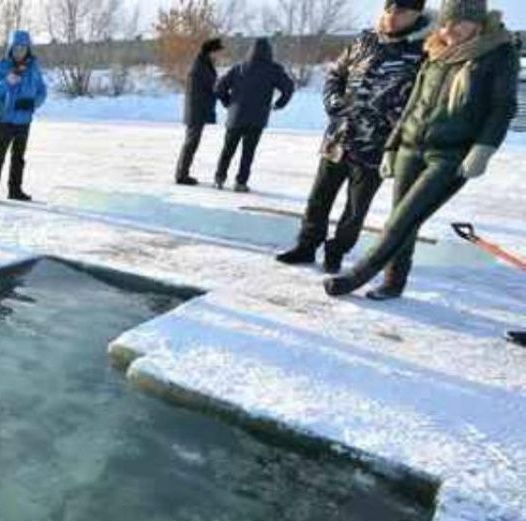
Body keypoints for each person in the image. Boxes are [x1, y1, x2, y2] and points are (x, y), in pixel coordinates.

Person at [325, 0, 519, 300]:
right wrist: (392, 147)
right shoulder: (435, 52)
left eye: (459, 23)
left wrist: (483, 149)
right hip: (410, 147)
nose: (450, 30)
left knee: (402, 220)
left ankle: (356, 276)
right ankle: (393, 281)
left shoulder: (497, 53)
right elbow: (413, 104)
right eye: (445, 23)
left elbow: (502, 107)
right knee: (403, 219)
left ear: (478, 23)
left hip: (450, 154)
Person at [276, 0, 430, 273]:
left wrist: (395, 125)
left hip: (377, 144)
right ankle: (306, 246)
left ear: (416, 14)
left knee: (356, 208)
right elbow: (335, 75)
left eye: (401, 12)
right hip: (340, 136)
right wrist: (334, 103)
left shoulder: (424, 50)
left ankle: (336, 251)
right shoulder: (365, 40)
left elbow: (424, 100)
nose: (392, 16)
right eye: (388, 10)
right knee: (319, 197)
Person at [213, 38, 295, 193]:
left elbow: (219, 87)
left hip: (236, 117)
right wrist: (279, 104)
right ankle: (240, 182)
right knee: (248, 152)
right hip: (257, 118)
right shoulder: (273, 70)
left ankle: (219, 178)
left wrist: (228, 102)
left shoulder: (239, 68)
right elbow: (288, 88)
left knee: (228, 149)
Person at [0, 29, 47, 202]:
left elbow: (42, 90)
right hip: (3, 120)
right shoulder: (1, 66)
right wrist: (7, 81)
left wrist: (34, 103)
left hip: (24, 120)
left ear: (28, 49)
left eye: (23, 48)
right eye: (16, 48)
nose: (20, 51)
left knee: (18, 157)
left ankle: (15, 190)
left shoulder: (33, 68)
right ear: (10, 48)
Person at [176, 37, 225, 186]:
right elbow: (214, 87)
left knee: (192, 142)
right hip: (196, 110)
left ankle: (182, 173)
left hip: (198, 109)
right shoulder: (201, 67)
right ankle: (181, 175)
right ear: (211, 52)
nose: (219, 55)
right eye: (218, 52)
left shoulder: (204, 64)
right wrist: (226, 96)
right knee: (191, 143)